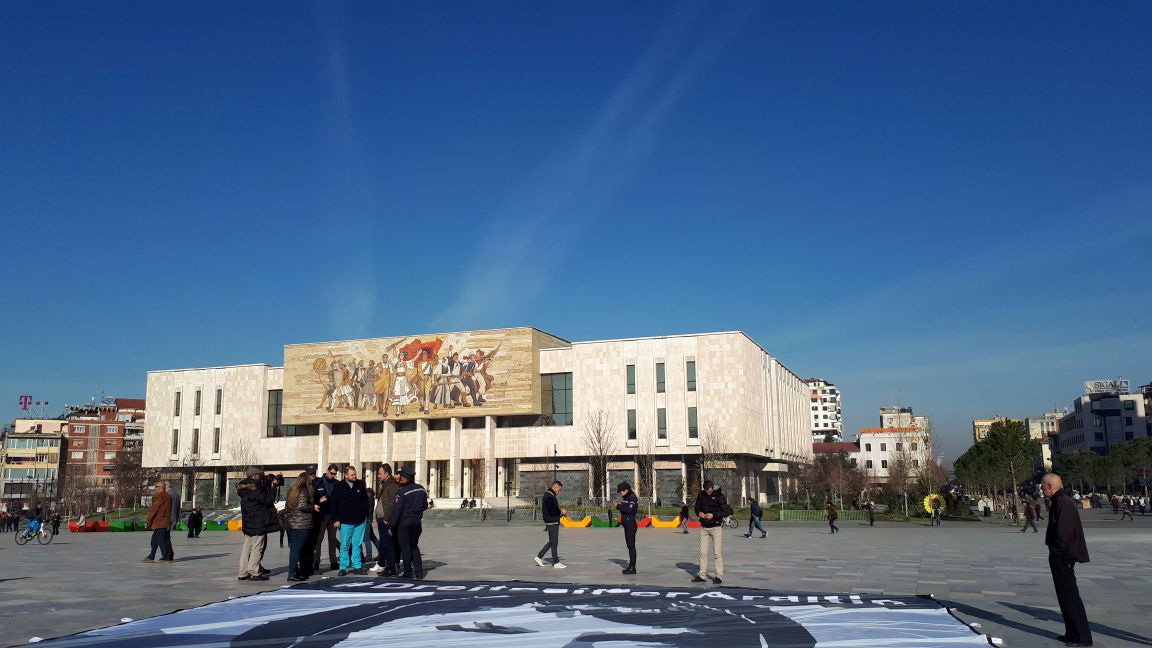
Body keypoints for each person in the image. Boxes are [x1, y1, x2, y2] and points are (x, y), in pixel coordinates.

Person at [1042, 473, 1092, 647]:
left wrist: (1056, 550)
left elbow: (1064, 533)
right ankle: (1072, 633)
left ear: (1050, 486)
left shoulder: (1064, 503)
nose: (1042, 491)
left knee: (1070, 596)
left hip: (1063, 556)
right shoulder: (1058, 502)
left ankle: (1082, 636)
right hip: (1059, 555)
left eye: (1043, 487)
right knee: (1064, 596)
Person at [237, 467, 279, 581]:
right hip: (258, 523)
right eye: (259, 475)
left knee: (247, 548)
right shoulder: (256, 488)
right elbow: (268, 500)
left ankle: (242, 572)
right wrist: (273, 487)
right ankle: (254, 571)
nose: (261, 477)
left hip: (248, 523)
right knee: (257, 548)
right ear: (254, 476)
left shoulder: (243, 488)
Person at [330, 465, 371, 576]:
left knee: (357, 544)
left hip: (360, 520)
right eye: (352, 475)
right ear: (345, 475)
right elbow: (333, 504)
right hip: (345, 521)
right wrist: (336, 519)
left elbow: (365, 502)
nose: (355, 476)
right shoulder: (338, 486)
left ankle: (357, 566)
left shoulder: (360, 484)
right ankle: (343, 567)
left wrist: (366, 516)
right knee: (344, 545)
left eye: (355, 474)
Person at [389, 466, 428, 579]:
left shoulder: (401, 491)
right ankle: (419, 573)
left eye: (401, 477)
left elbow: (397, 511)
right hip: (417, 522)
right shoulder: (421, 489)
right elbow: (425, 505)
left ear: (405, 478)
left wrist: (391, 526)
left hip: (404, 523)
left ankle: (407, 573)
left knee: (405, 548)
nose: (399, 479)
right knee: (414, 547)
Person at [692, 480, 731, 584]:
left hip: (716, 527)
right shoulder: (701, 494)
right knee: (702, 552)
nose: (708, 493)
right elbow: (696, 507)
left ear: (712, 488)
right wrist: (699, 513)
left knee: (717, 552)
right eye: (706, 491)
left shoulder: (720, 496)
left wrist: (714, 515)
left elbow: (726, 511)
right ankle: (702, 575)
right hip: (704, 527)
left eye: (709, 491)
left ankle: (719, 576)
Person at [283, 472, 318, 582]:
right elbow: (302, 506)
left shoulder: (292, 490)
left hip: (291, 523)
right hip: (302, 524)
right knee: (298, 550)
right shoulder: (304, 491)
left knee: (294, 549)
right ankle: (293, 573)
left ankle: (295, 571)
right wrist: (313, 507)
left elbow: (287, 507)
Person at [311, 463, 341, 574]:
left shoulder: (337, 483)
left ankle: (333, 561)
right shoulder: (318, 482)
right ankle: (316, 562)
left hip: (333, 515)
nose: (333, 475)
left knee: (332, 539)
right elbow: (313, 498)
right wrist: (319, 501)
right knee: (319, 539)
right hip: (321, 515)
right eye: (331, 473)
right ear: (327, 471)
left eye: (335, 474)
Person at [370, 464, 400, 576]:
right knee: (385, 543)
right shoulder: (386, 483)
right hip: (381, 519)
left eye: (380, 473)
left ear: (387, 474)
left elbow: (392, 503)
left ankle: (391, 568)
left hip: (385, 520)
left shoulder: (391, 484)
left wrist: (387, 518)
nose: (378, 476)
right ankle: (387, 566)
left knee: (388, 544)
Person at [534, 480, 567, 569]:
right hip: (552, 522)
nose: (559, 492)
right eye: (559, 490)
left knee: (552, 541)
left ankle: (539, 556)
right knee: (554, 542)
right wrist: (561, 511)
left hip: (551, 521)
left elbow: (551, 509)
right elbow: (552, 510)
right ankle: (556, 562)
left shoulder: (549, 495)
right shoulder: (549, 496)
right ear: (555, 487)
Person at [143, 481, 175, 562]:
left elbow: (154, 509)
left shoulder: (160, 496)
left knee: (161, 540)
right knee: (159, 540)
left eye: (157, 486)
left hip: (160, 522)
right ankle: (153, 555)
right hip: (165, 521)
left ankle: (166, 556)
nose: (155, 488)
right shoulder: (168, 496)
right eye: (155, 486)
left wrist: (148, 520)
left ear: (162, 487)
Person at [615, 482, 638, 574]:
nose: (620, 494)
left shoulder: (632, 497)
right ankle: (631, 566)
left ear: (626, 490)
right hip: (627, 525)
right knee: (629, 546)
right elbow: (624, 508)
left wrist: (618, 506)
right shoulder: (626, 498)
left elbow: (629, 509)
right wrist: (619, 506)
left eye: (621, 492)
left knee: (631, 546)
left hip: (631, 525)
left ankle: (633, 567)